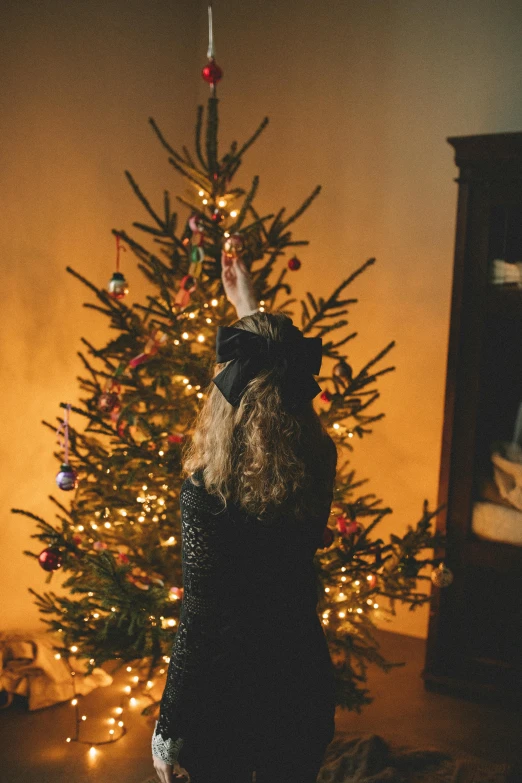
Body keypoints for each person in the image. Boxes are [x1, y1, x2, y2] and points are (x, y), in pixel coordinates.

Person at [151, 251, 338, 783]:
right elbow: (282, 388)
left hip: (226, 703)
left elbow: (202, 618)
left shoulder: (206, 491)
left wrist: (168, 727)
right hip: (301, 686)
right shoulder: (319, 460)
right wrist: (248, 306)